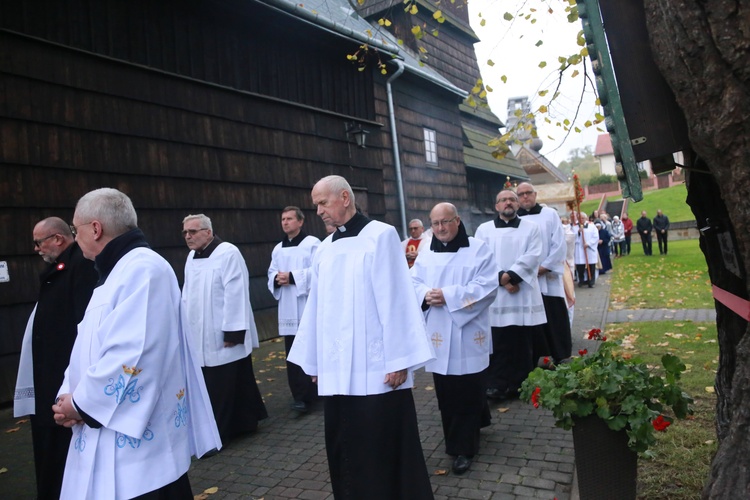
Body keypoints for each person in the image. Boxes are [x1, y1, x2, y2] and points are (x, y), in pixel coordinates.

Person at [52, 188, 220, 499]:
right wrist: (67, 393)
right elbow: (88, 344)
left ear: (96, 228)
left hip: (140, 458)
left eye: (76, 230)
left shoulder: (143, 268)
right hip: (104, 435)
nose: (75, 239)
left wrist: (80, 403)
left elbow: (133, 354)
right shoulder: (114, 272)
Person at [287, 175, 435, 499]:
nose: (319, 211)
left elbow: (395, 298)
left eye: (322, 203)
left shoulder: (380, 236)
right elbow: (315, 307)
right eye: (315, 205)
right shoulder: (324, 249)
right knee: (345, 444)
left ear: (344, 198)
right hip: (337, 370)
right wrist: (313, 361)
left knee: (380, 445)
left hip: (377, 369)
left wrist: (400, 360)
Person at [13, 217, 98, 500]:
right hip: (50, 376)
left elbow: (81, 327)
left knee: (61, 450)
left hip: (63, 379)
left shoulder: (80, 267)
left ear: (58, 239)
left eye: (39, 242)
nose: (36, 248)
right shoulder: (60, 269)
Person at [410, 202, 497, 475]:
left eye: (446, 222)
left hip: (468, 330)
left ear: (457, 221)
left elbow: (487, 286)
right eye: (435, 223)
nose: (441, 228)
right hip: (437, 332)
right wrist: (425, 294)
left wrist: (447, 295)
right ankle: (474, 424)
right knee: (448, 392)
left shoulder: (478, 248)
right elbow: (412, 281)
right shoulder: (426, 252)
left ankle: (463, 449)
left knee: (468, 387)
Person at [181, 214, 268, 445]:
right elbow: (187, 293)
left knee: (226, 382)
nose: (188, 237)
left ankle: (219, 433)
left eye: (193, 232)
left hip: (222, 331)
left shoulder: (228, 253)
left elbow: (236, 292)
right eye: (185, 233)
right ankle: (245, 422)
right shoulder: (192, 257)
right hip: (200, 332)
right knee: (224, 381)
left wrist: (233, 332)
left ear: (208, 232)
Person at [474, 189, 545, 402]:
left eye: (512, 199)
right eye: (503, 200)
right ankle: (495, 385)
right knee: (497, 342)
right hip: (496, 295)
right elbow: (479, 258)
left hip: (520, 293)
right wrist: (502, 279)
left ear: (518, 205)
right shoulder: (483, 230)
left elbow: (533, 255)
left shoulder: (531, 228)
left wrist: (513, 277)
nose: (508, 203)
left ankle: (521, 385)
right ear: (496, 206)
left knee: (521, 342)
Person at [267, 206, 321, 413]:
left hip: (306, 304)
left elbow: (317, 271)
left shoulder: (312, 244)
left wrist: (292, 277)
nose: (285, 222)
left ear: (300, 222)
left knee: (310, 347)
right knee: (292, 351)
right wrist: (277, 279)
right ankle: (299, 395)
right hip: (288, 307)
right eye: (283, 219)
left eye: (290, 218)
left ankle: (315, 391)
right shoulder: (278, 248)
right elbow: (271, 271)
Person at [516, 182, 572, 364]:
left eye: (528, 193)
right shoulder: (515, 219)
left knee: (554, 316)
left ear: (535, 194)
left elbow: (559, 243)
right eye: (521, 194)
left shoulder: (550, 215)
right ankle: (533, 357)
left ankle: (561, 354)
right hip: (526, 279)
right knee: (531, 320)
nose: (525, 197)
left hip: (548, 277)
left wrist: (545, 267)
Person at [575, 213, 599, 287]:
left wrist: (588, 243)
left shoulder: (592, 226)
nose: (581, 220)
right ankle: (581, 280)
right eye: (579, 218)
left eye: (582, 218)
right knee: (580, 266)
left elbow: (596, 237)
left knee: (591, 266)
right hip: (579, 249)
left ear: (586, 218)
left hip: (589, 248)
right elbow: (572, 237)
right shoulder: (575, 226)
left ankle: (591, 281)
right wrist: (578, 233)